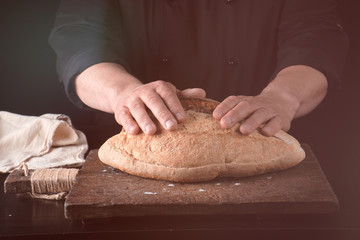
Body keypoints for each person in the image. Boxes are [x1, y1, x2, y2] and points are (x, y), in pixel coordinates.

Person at [49, 0, 348, 138]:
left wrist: (282, 97)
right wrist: (123, 92)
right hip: (140, 139)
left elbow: (316, 38)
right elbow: (78, 39)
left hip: (260, 137)